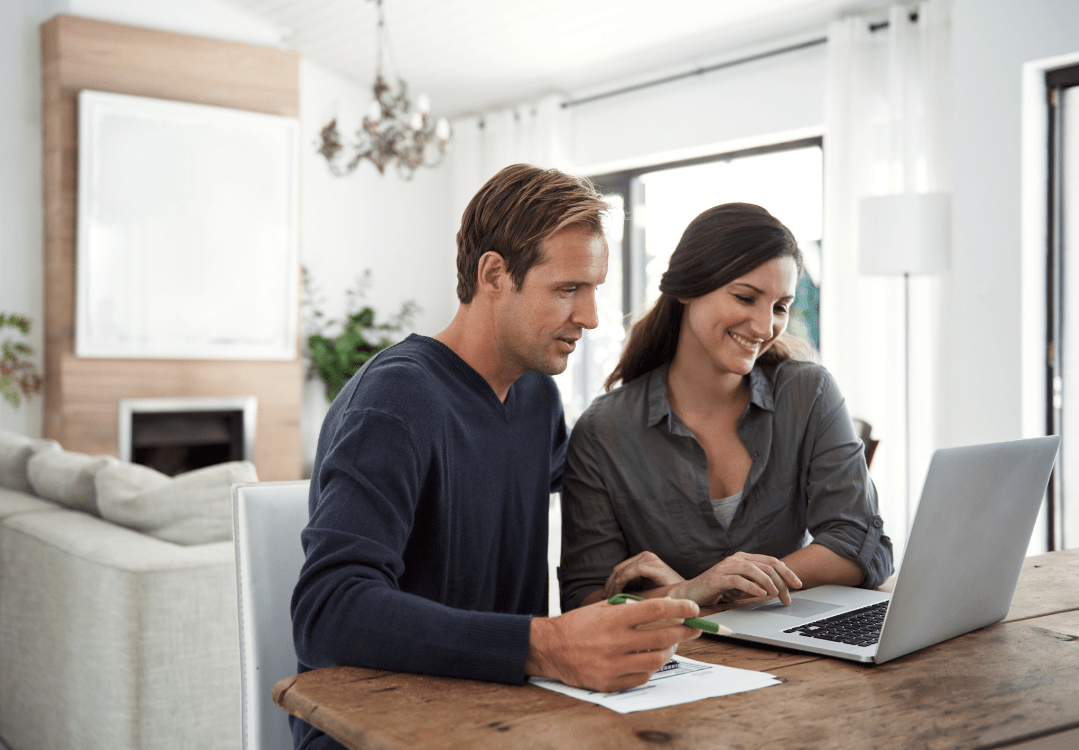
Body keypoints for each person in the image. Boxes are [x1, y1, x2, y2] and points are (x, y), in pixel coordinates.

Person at [292, 164, 703, 750]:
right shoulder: (396, 401)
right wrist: (548, 645)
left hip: (506, 718)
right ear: (494, 274)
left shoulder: (537, 396)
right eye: (567, 289)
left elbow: (599, 492)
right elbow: (327, 611)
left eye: (593, 290)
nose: (588, 315)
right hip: (379, 730)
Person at [559, 202, 893, 614]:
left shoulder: (808, 393)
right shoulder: (604, 431)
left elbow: (861, 548)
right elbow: (585, 602)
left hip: (793, 651)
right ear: (686, 287)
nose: (763, 325)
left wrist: (727, 588)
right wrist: (690, 592)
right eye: (746, 297)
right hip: (675, 664)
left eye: (780, 306)